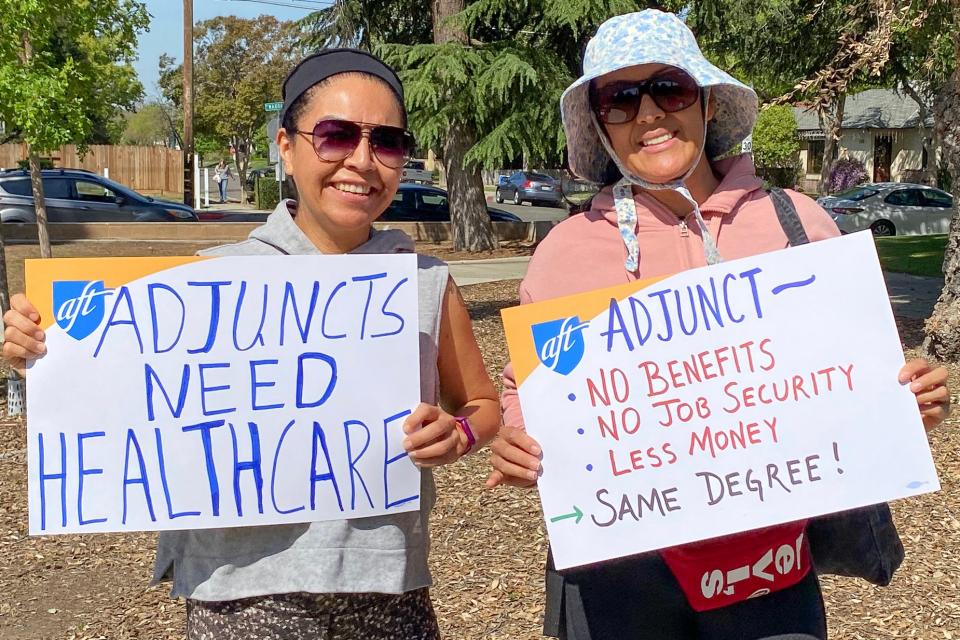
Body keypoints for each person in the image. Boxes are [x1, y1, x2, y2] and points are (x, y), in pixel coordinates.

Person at [3, 48, 501, 639]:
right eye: (336, 135)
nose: (362, 161)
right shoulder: (204, 283)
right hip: (237, 595)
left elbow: (483, 406)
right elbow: (112, 409)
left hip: (386, 590)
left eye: (387, 141)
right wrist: (38, 357)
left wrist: (459, 435)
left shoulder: (424, 283)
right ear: (286, 148)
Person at [487, 10, 950, 640]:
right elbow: (528, 390)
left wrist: (907, 398)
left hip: (770, 569)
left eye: (669, 89)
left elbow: (858, 373)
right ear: (600, 124)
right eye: (620, 99)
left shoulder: (798, 222)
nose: (648, 113)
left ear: (706, 103)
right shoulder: (566, 250)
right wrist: (518, 440)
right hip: (619, 573)